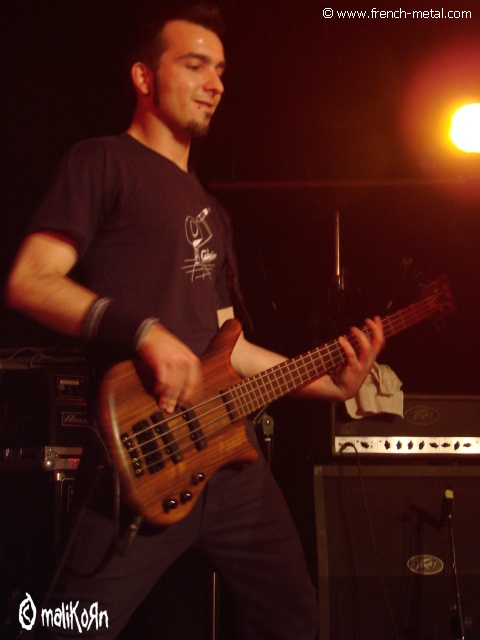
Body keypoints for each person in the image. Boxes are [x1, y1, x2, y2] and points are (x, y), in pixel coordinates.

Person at [5, 2, 384, 638]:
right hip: (144, 456)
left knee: (294, 622)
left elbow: (230, 347)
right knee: (67, 627)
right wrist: (143, 331)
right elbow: (30, 280)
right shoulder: (100, 162)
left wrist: (329, 384)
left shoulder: (212, 210)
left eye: (221, 71)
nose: (215, 84)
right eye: (195, 65)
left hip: (233, 468)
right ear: (144, 77)